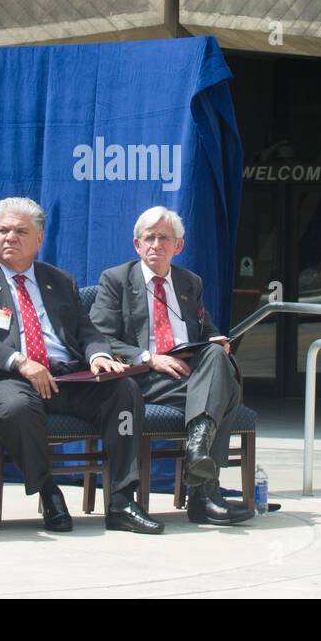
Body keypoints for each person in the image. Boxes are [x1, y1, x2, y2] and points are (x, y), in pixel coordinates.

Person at [0, 197, 162, 534]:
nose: (9, 237)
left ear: (39, 239)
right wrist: (18, 361)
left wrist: (98, 355)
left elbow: (87, 331)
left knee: (124, 393)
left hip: (67, 376)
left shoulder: (58, 280)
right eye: (2, 230)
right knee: (15, 409)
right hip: (8, 378)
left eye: (19, 231)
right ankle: (48, 490)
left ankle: (122, 500)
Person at [90, 207, 253, 525]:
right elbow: (100, 337)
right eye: (148, 238)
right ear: (137, 245)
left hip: (190, 374)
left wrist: (216, 339)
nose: (155, 245)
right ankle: (204, 493)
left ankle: (198, 452)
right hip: (143, 377)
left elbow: (205, 331)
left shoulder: (189, 282)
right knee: (227, 391)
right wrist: (149, 357)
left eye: (164, 238)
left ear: (178, 245)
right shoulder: (116, 280)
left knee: (217, 357)